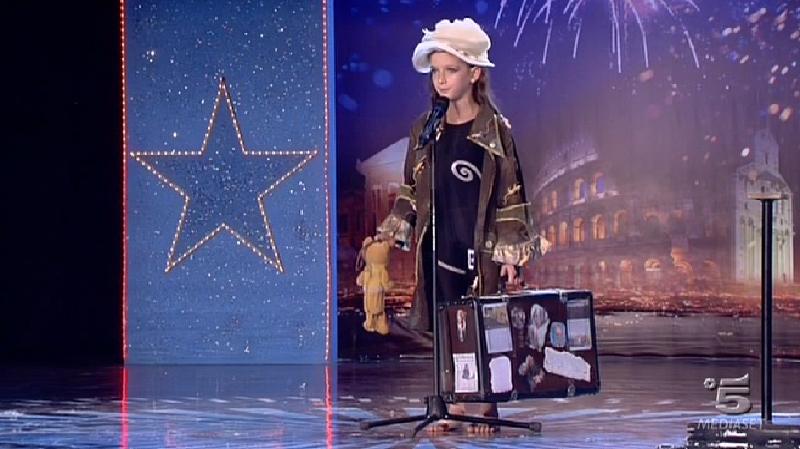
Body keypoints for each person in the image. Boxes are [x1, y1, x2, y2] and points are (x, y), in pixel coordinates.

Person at [377, 18, 544, 434]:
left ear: (475, 74)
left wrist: (510, 254)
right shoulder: (425, 129)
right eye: (436, 71)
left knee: (481, 324)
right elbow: (412, 186)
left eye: (450, 70)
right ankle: (452, 403)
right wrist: (394, 230)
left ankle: (484, 405)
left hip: (479, 245)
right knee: (446, 326)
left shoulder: (495, 130)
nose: (441, 79)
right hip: (439, 243)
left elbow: (510, 193)